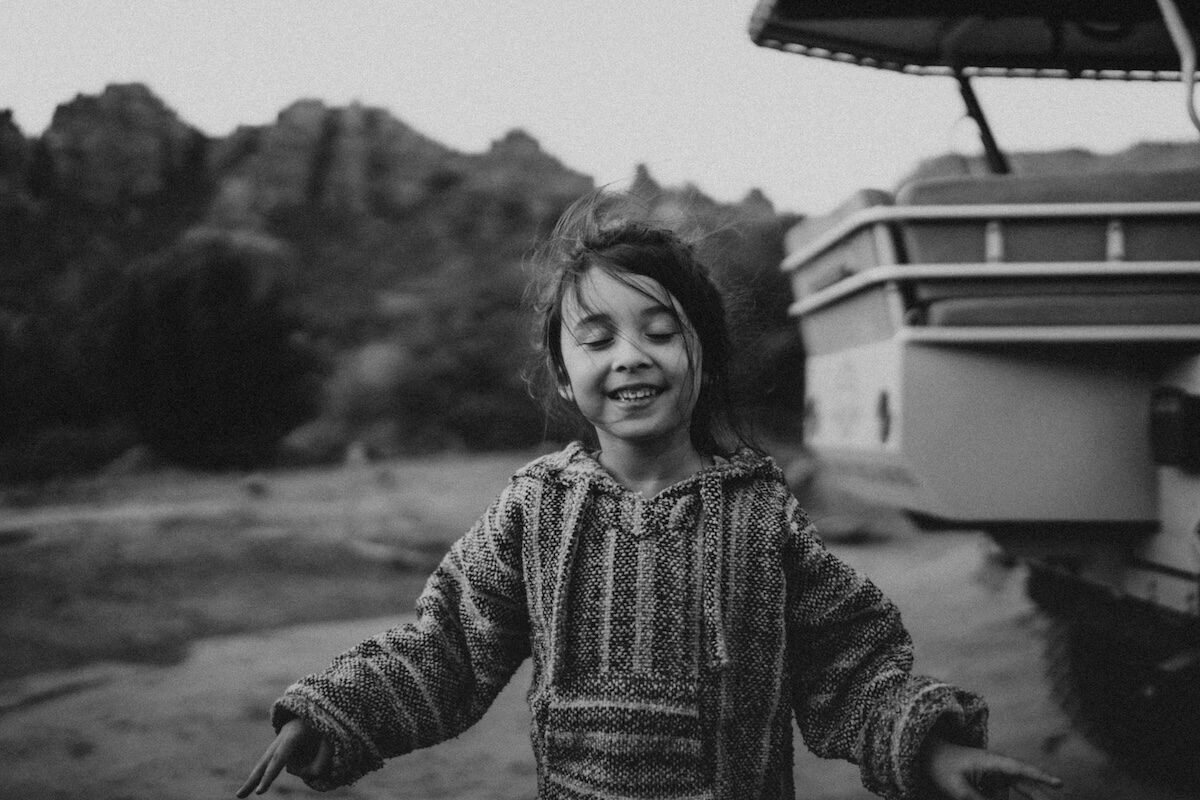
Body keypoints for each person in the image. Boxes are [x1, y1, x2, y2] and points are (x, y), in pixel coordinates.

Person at [237, 194, 1062, 800]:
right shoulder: (534, 511)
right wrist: (336, 712)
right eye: (598, 339)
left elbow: (848, 667)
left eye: (660, 331)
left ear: (703, 351)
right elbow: (447, 647)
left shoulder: (759, 517)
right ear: (565, 373)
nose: (631, 356)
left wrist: (934, 749)